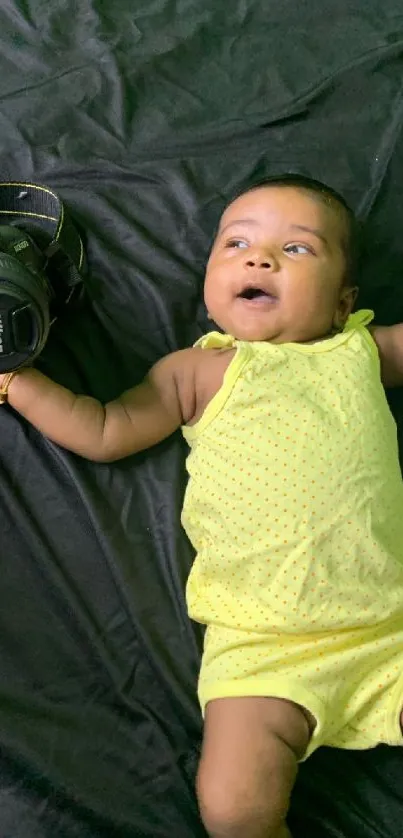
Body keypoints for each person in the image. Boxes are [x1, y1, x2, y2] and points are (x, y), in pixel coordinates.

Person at [2, 173, 403, 838]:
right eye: (236, 243)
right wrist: (21, 384)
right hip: (260, 646)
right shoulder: (196, 372)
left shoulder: (360, 349)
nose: (259, 257)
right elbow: (103, 431)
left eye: (296, 250)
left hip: (386, 623)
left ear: (343, 303)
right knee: (233, 807)